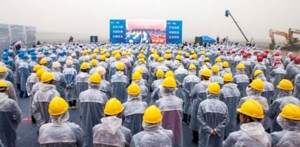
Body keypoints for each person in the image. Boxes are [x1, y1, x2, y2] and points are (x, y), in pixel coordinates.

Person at [79, 72, 108, 147]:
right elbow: (106, 110)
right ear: (99, 83)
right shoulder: (103, 95)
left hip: (85, 120)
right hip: (99, 121)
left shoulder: (82, 94)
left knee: (86, 137)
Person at [197, 82, 229, 147]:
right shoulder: (223, 105)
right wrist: (216, 130)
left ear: (208, 91)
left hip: (205, 133)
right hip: (218, 135)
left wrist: (209, 130)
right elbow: (226, 120)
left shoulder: (203, 104)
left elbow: (200, 118)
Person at [156, 77, 183, 147]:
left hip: (163, 130)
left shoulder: (159, 102)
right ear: (174, 89)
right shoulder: (179, 101)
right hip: (176, 129)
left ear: (163, 88)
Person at [190, 68, 211, 143]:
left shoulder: (197, 86)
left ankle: (195, 139)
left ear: (202, 76)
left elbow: (192, 95)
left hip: (197, 106)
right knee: (206, 121)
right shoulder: (212, 85)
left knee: (195, 121)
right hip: (208, 106)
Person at [0, 80, 21, 147]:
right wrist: (15, 124)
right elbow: (18, 115)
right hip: (9, 129)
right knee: (10, 143)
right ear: (6, 90)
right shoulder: (10, 102)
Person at [220, 73, 241, 137]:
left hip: (223, 112)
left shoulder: (222, 91)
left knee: (223, 126)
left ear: (224, 81)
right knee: (232, 125)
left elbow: (220, 103)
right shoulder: (237, 90)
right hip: (234, 112)